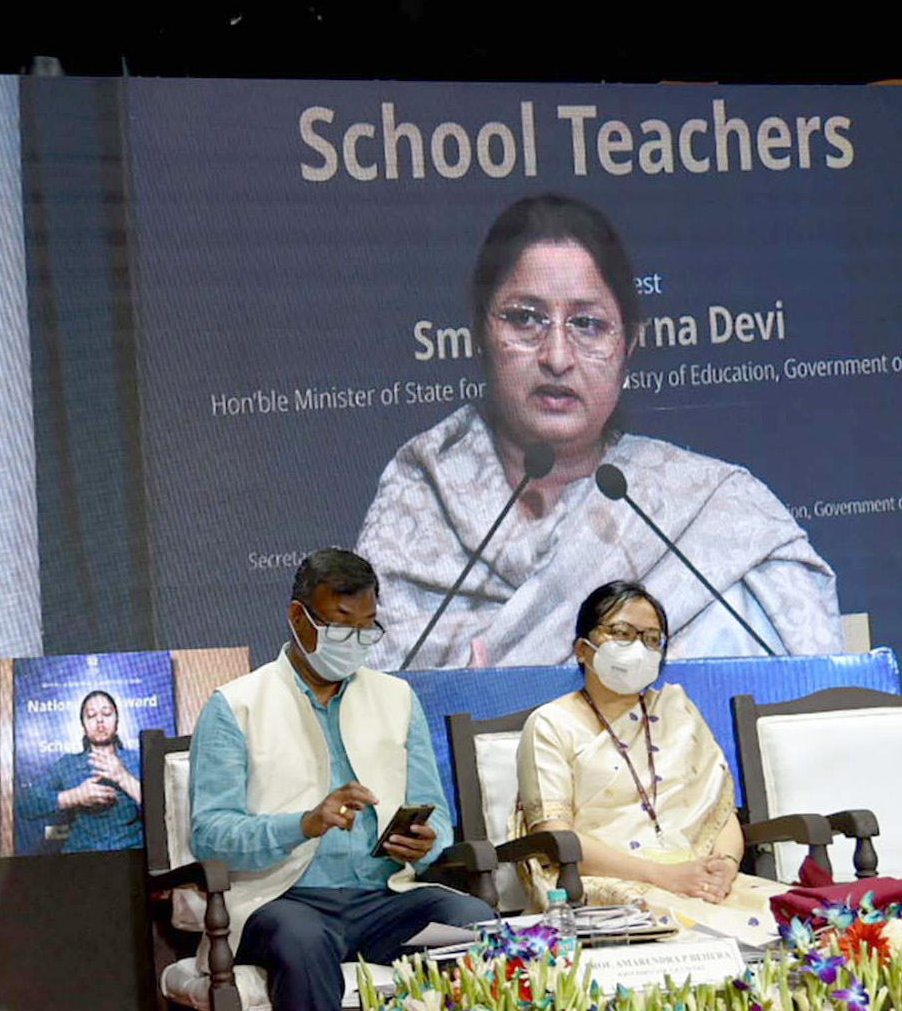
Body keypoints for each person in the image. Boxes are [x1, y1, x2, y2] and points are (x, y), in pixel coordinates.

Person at [359, 194, 839, 669]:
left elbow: (815, 704)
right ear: (479, 334)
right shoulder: (419, 512)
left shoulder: (715, 517)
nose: (557, 356)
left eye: (588, 325)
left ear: (628, 345)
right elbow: (363, 717)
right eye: (526, 319)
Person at [189, 547, 495, 1011]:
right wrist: (303, 824)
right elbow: (211, 833)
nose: (352, 641)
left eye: (365, 627)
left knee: (479, 926)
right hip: (284, 900)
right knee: (303, 945)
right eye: (337, 624)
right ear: (297, 616)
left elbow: (437, 814)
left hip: (386, 899)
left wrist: (427, 841)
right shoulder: (236, 704)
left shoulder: (397, 697)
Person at [515, 580, 787, 945]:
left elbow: (721, 813)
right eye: (621, 633)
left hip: (698, 878)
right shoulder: (551, 723)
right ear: (583, 649)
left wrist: (723, 866)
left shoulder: (679, 713)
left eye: (652, 639)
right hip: (603, 884)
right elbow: (556, 837)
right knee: (691, 933)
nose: (638, 649)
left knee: (796, 921)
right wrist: (664, 876)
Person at [17, 690, 144, 853]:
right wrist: (75, 796)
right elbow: (26, 805)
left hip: (132, 855)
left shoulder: (137, 759)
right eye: (91, 715)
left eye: (106, 713)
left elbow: (163, 808)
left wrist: (123, 777)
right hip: (83, 858)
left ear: (117, 722)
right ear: (83, 726)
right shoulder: (68, 764)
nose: (100, 720)